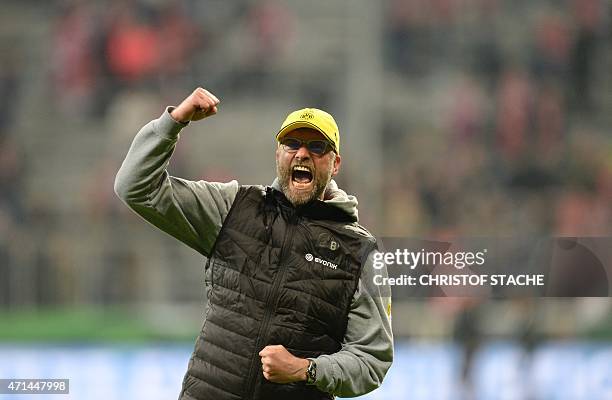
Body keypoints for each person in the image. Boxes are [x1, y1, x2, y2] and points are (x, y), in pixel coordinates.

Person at [114, 87, 393, 400]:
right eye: (291, 143)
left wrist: (306, 369)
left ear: (335, 163)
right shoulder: (234, 207)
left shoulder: (361, 252)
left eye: (317, 146)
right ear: (278, 154)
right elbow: (136, 187)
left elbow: (371, 359)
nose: (302, 153)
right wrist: (173, 123)